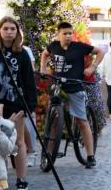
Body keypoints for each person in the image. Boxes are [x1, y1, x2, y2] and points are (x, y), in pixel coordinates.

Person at [0, 16, 36, 190]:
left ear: (17, 32)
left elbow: (29, 80)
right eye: (6, 28)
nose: (9, 32)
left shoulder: (22, 54)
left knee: (18, 141)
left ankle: (21, 180)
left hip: (16, 103)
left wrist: (30, 104)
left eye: (13, 29)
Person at [40, 22, 104, 168]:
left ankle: (90, 156)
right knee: (53, 121)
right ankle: (48, 154)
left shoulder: (79, 47)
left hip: (75, 87)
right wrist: (43, 68)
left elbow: (100, 52)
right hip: (58, 86)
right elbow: (44, 54)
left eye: (70, 33)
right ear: (58, 34)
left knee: (82, 121)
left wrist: (92, 67)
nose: (68, 36)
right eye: (65, 33)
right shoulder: (53, 46)